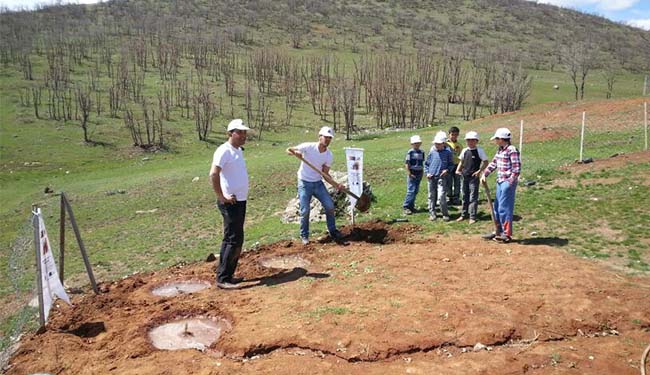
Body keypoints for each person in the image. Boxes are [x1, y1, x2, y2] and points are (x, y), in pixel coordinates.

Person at [287, 126, 347, 245]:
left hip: (318, 183)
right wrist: (296, 153)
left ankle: (333, 231)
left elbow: (325, 174)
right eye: (325, 137)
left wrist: (336, 185)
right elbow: (288, 150)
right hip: (304, 182)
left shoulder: (329, 155)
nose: (327, 140)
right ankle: (304, 236)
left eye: (329, 138)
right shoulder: (308, 147)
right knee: (305, 211)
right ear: (320, 137)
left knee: (329, 206)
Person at [210, 119, 250, 290]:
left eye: (244, 133)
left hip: (240, 200)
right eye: (239, 132)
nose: (243, 136)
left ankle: (228, 275)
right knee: (232, 239)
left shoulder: (237, 150)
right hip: (230, 202)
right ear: (230, 133)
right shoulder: (223, 151)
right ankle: (223, 278)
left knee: (236, 238)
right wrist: (222, 196)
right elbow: (213, 173)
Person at [480, 128, 521, 243]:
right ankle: (497, 231)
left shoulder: (512, 150)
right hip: (500, 181)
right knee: (497, 207)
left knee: (505, 208)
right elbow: (494, 163)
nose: (495, 141)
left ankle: (506, 233)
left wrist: (510, 182)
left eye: (497, 139)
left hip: (507, 182)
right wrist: (485, 174)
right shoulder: (500, 150)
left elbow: (516, 169)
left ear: (502, 139)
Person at [455, 131, 489, 224]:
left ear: (476, 141)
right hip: (464, 176)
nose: (470, 142)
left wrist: (479, 171)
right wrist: (458, 170)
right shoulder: (465, 150)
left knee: (473, 197)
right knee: (465, 196)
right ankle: (463, 214)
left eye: (472, 140)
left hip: (474, 177)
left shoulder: (479, 151)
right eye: (468, 140)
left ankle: (472, 216)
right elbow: (461, 161)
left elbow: (486, 162)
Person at [425, 132, 453, 222]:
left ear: (443, 144)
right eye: (436, 144)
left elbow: (451, 164)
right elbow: (426, 164)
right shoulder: (432, 152)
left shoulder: (447, 153)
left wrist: (447, 170)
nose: (437, 145)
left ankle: (445, 213)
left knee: (441, 196)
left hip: (442, 177)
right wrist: (427, 173)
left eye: (439, 144)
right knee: (431, 196)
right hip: (431, 177)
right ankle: (432, 213)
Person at [402, 135, 425, 215]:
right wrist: (409, 173)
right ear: (412, 144)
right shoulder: (410, 152)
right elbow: (407, 163)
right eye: (415, 143)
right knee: (411, 190)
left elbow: (421, 162)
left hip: (419, 173)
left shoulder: (422, 152)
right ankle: (406, 206)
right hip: (412, 173)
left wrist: (422, 171)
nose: (417, 144)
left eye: (418, 143)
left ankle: (411, 206)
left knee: (416, 190)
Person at [446, 126, 462, 205]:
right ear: (449, 134)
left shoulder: (459, 145)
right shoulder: (446, 144)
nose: (454, 136)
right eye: (452, 134)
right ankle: (449, 197)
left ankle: (456, 197)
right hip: (449, 165)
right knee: (448, 182)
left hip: (457, 165)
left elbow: (461, 156)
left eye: (456, 135)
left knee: (457, 182)